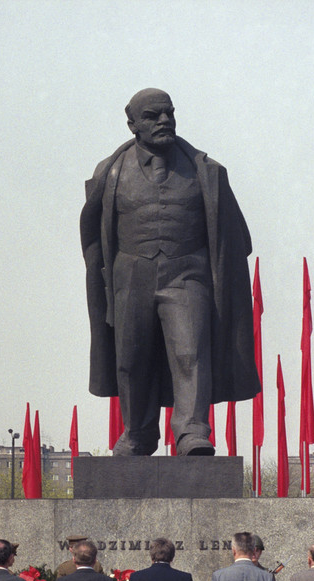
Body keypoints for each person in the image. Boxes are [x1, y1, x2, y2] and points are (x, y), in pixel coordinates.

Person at [80, 87, 260, 456]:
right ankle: (139, 433)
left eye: (169, 113)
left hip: (187, 273)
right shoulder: (108, 172)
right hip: (130, 275)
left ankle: (192, 432)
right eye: (152, 116)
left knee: (191, 351)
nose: (164, 121)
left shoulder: (205, 171)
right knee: (131, 359)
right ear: (132, 124)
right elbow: (95, 236)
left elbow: (236, 236)